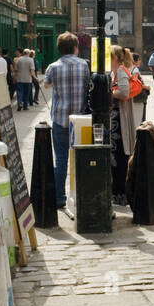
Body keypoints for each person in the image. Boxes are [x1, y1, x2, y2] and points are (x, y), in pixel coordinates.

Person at [42, 32, 91, 208]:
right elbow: (88, 84)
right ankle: (81, 194)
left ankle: (60, 197)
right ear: (76, 48)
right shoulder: (84, 65)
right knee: (82, 157)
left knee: (61, 158)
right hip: (81, 119)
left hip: (60, 118)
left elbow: (47, 85)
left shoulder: (53, 67)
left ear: (59, 48)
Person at [107, 44, 137, 206]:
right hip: (115, 120)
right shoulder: (115, 71)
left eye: (109, 56)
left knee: (118, 158)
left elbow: (124, 92)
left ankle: (119, 193)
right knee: (116, 158)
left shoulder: (120, 70)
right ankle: (118, 192)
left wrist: (108, 94)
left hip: (119, 121)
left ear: (116, 58)